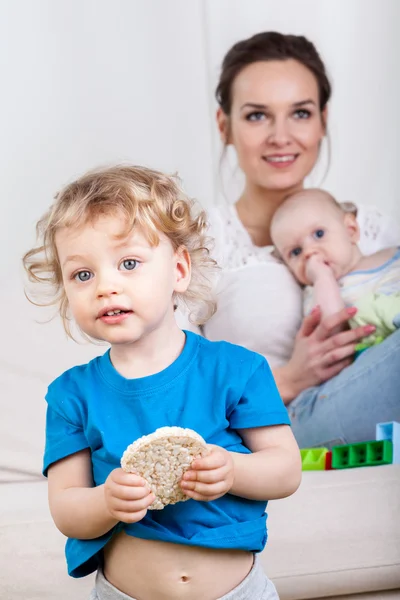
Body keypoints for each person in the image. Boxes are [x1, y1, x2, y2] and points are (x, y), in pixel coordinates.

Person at [22, 165, 301, 600]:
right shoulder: (70, 395)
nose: (105, 287)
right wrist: (105, 502)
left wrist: (232, 470)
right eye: (82, 274)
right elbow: (66, 509)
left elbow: (285, 470)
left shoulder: (237, 369)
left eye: (128, 263)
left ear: (179, 270)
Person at [177, 31, 400, 449]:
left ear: (323, 121)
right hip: (286, 430)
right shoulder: (199, 244)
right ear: (224, 126)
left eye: (300, 113)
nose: (281, 136)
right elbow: (166, 393)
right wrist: (289, 378)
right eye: (257, 115)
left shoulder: (368, 228)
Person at [270, 188, 400, 349]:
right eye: (296, 252)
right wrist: (323, 278)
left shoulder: (392, 254)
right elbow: (333, 331)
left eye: (318, 234)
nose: (309, 252)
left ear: (350, 230)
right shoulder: (317, 295)